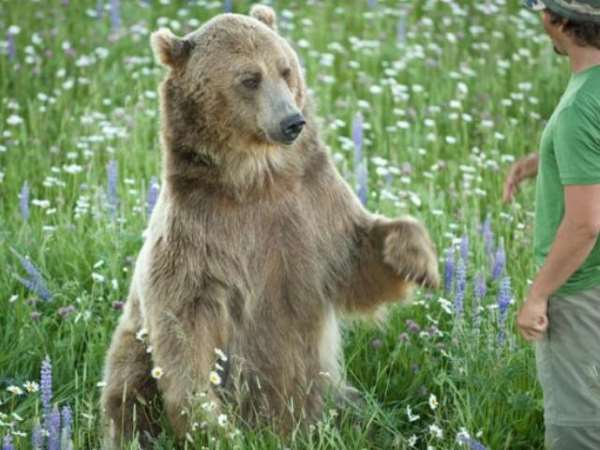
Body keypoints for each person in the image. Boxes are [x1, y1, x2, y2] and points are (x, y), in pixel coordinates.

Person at [504, 1, 600, 448]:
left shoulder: (580, 108)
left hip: (580, 289)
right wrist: (549, 161)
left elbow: (584, 226)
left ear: (558, 22)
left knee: (577, 425)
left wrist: (539, 295)